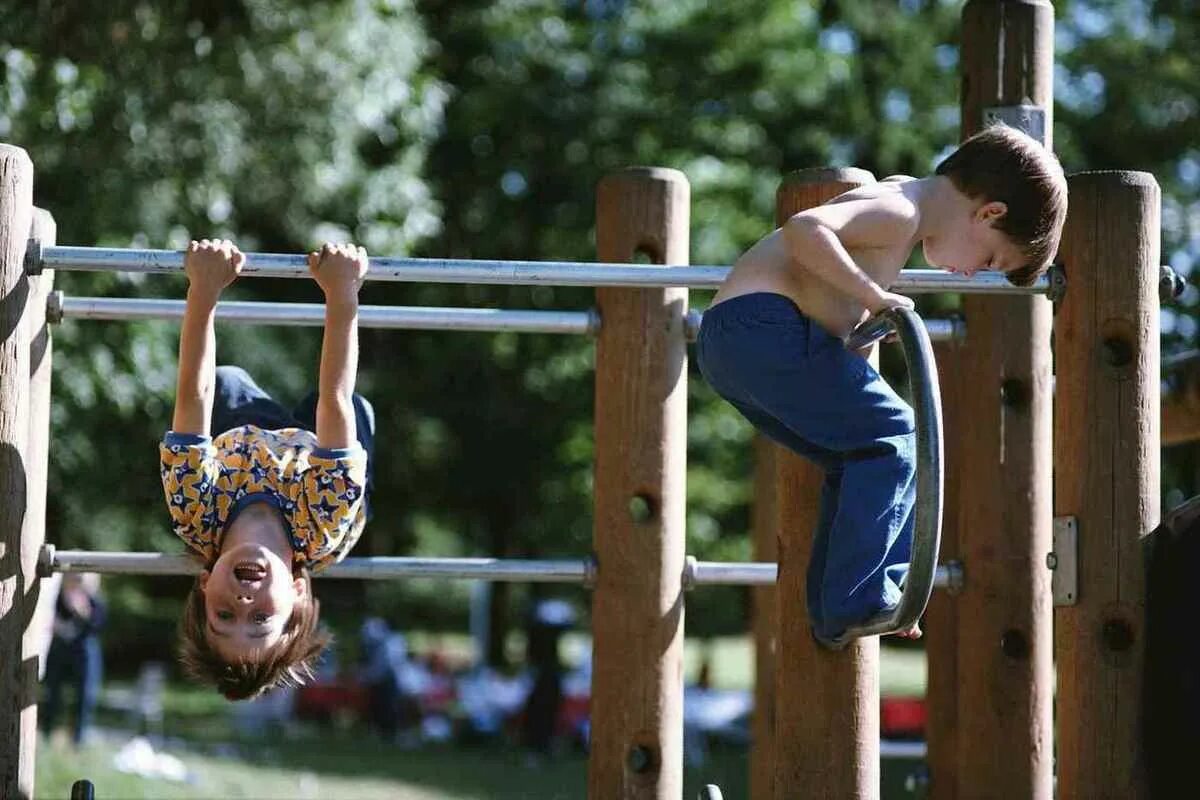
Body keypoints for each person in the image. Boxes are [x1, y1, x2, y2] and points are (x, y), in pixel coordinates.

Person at [696, 124, 1067, 648]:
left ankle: (835, 609)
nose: (971, 274)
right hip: (763, 329)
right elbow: (806, 229)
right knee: (900, 436)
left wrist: (863, 320)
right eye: (989, 260)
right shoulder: (900, 209)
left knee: (858, 457)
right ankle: (861, 596)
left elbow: (825, 290)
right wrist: (875, 297)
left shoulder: (901, 208)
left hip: (735, 345)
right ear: (989, 213)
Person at [162, 238, 374, 699]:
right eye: (260, 619)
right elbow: (335, 400)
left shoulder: (194, 510)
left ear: (204, 586)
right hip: (313, 470)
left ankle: (260, 410)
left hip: (245, 454)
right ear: (298, 593)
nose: (243, 603)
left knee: (222, 382)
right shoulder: (322, 520)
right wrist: (342, 289)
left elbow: (192, 396)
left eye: (224, 616)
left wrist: (204, 286)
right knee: (354, 410)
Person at [41, 572, 106, 745]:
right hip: (61, 650)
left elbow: (99, 625)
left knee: (85, 696)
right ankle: (47, 733)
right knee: (52, 693)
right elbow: (51, 618)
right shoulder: (59, 597)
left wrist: (83, 612)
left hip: (85, 652)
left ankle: (78, 739)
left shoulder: (94, 600)